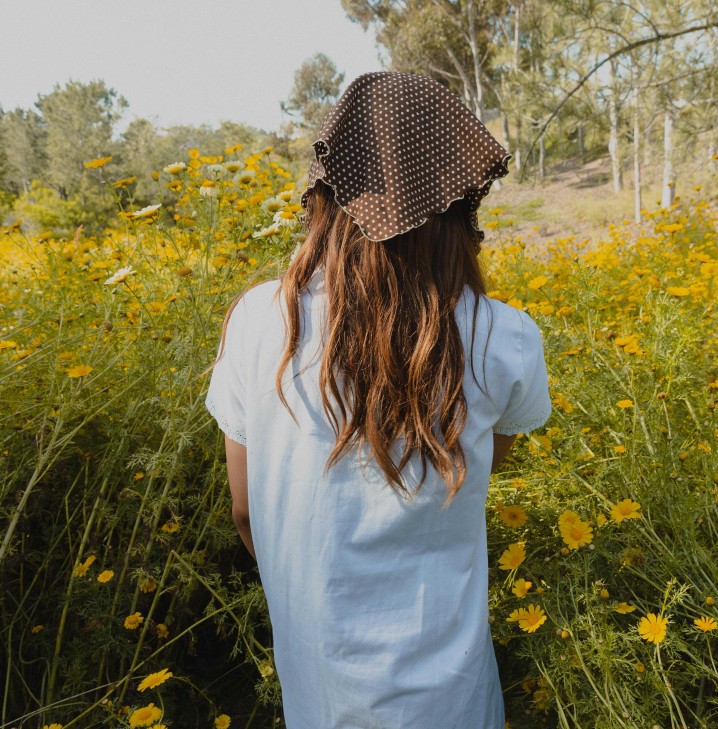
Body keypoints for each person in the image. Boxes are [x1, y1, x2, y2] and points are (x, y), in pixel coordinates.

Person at [204, 71, 552, 729]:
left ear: (327, 190)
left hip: (321, 693)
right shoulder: (503, 338)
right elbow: (479, 474)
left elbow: (247, 510)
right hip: (452, 699)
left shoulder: (259, 322)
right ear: (457, 199)